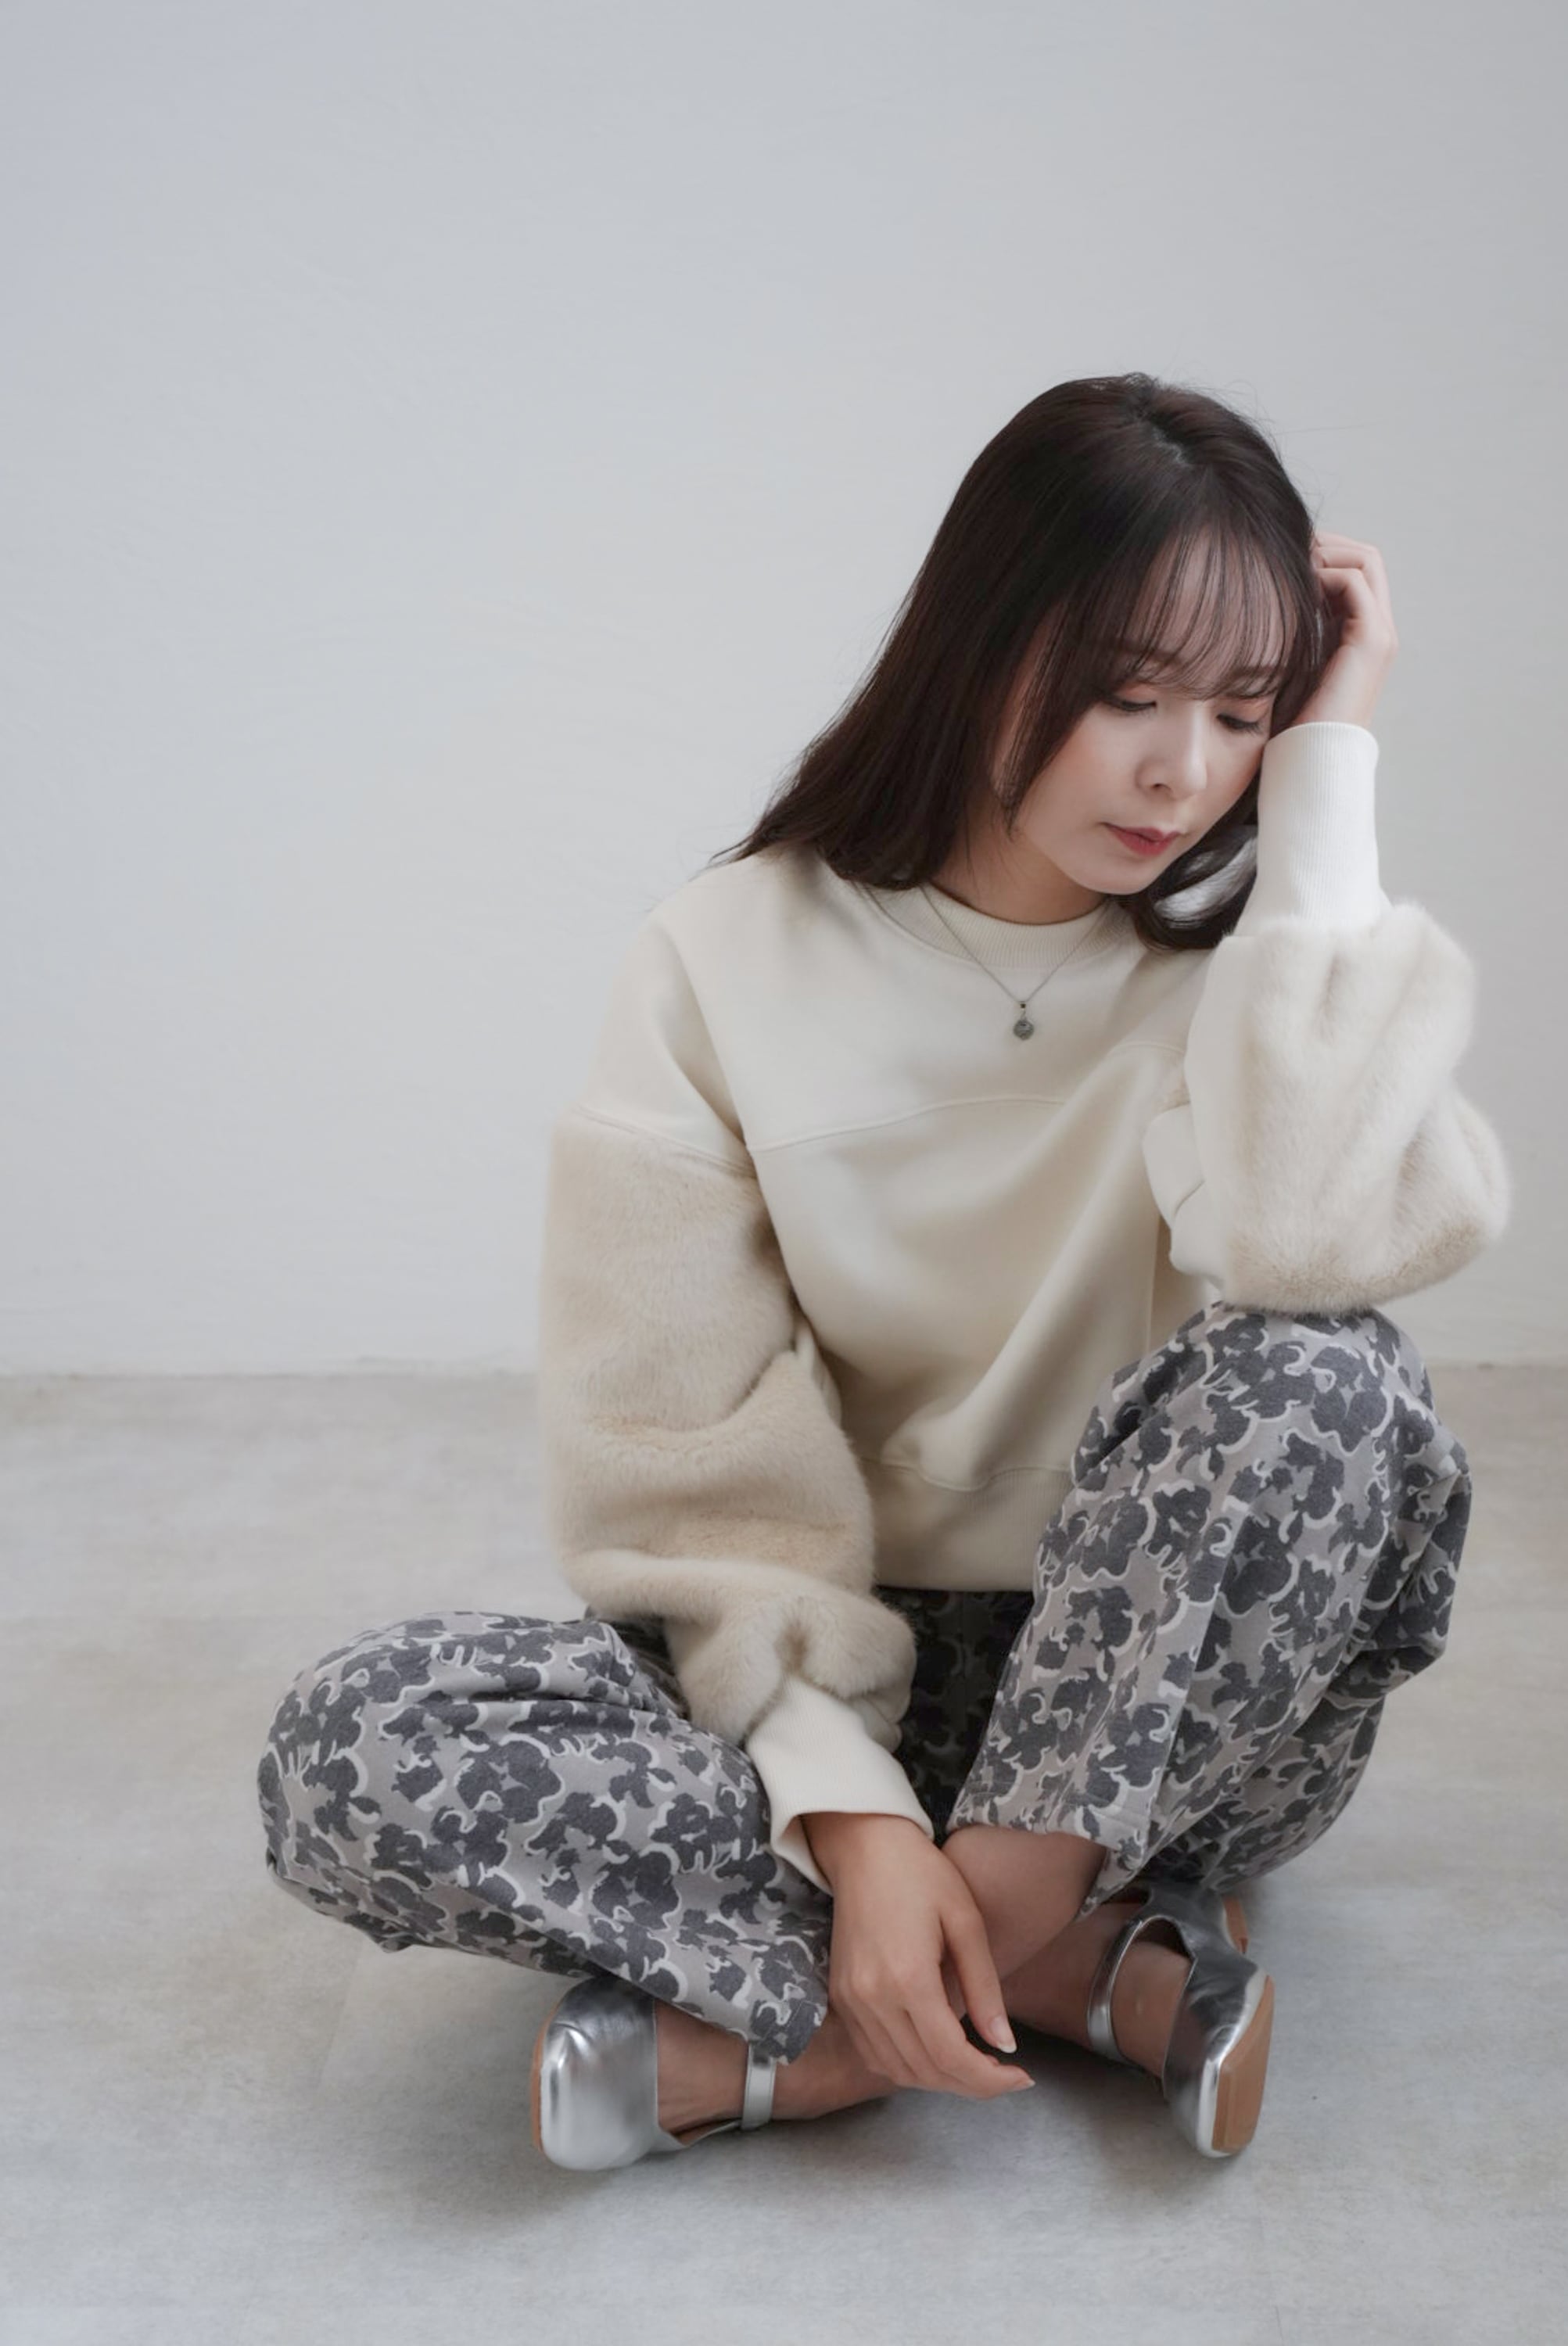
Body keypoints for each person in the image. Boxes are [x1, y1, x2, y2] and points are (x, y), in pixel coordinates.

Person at [257, 371, 1509, 2170]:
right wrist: (851, 1819)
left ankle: (854, 2015)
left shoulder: (1260, 973)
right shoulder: (725, 957)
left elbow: (1312, 1243)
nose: (1182, 773)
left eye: (1242, 717)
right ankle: (1058, 1971)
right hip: (815, 1687)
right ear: (981, 645)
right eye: (1126, 697)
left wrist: (1325, 802)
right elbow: (686, 1465)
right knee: (355, 1748)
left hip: (1168, 1717)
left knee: (1322, 1370)